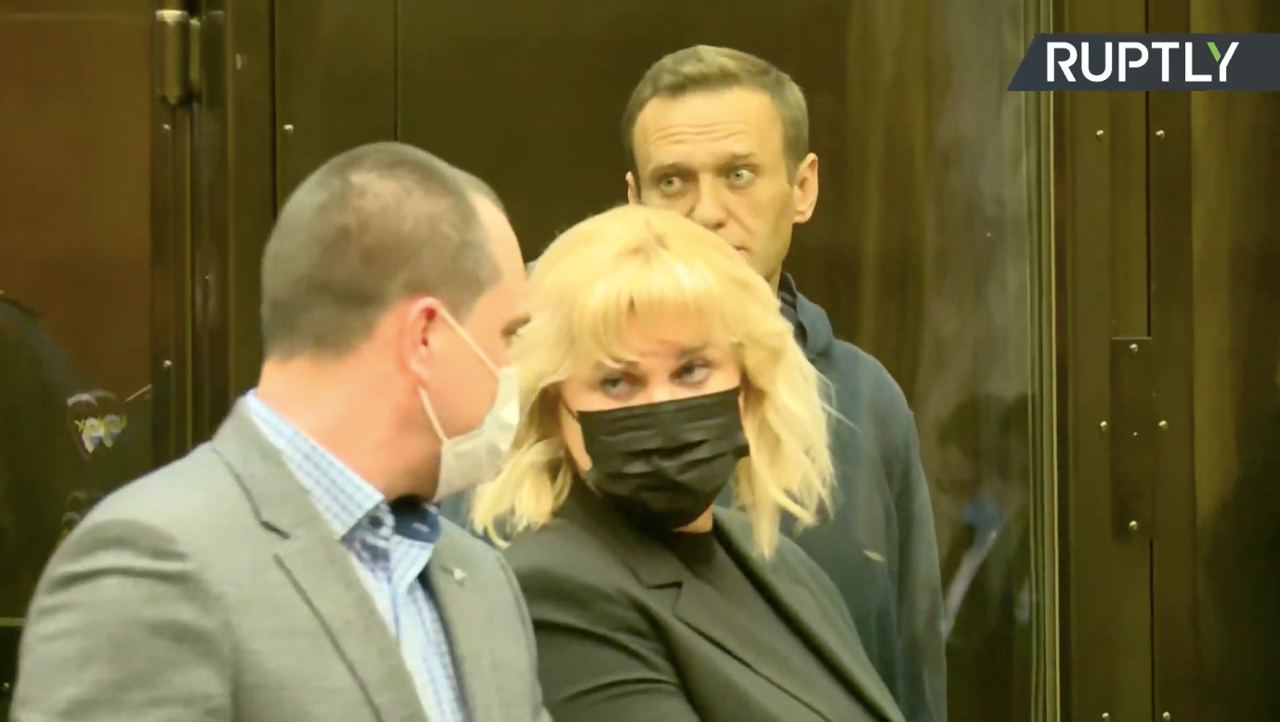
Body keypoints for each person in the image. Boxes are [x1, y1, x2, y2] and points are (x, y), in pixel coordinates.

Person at [12, 142, 551, 722]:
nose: (518, 368)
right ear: (425, 336)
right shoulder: (152, 566)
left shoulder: (478, 580)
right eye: (509, 334)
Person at [471, 205, 905, 722]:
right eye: (617, 381)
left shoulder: (780, 566)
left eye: (692, 370)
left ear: (748, 381)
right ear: (552, 408)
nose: (662, 404)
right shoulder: (556, 589)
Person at [619, 45, 946, 721]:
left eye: (738, 175)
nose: (707, 212)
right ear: (634, 202)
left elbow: (910, 665)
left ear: (803, 189)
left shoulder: (864, 399)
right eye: (672, 182)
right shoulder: (588, 405)